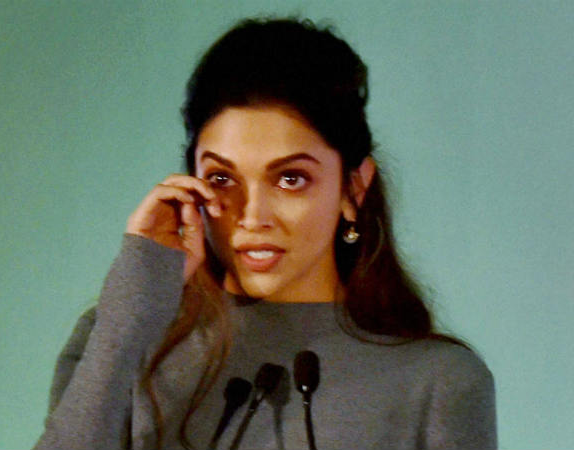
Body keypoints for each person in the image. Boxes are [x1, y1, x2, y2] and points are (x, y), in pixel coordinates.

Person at [34, 18, 496, 450]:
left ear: (353, 188)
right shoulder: (120, 339)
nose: (252, 217)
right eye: (221, 179)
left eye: (290, 179)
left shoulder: (438, 381)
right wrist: (134, 303)